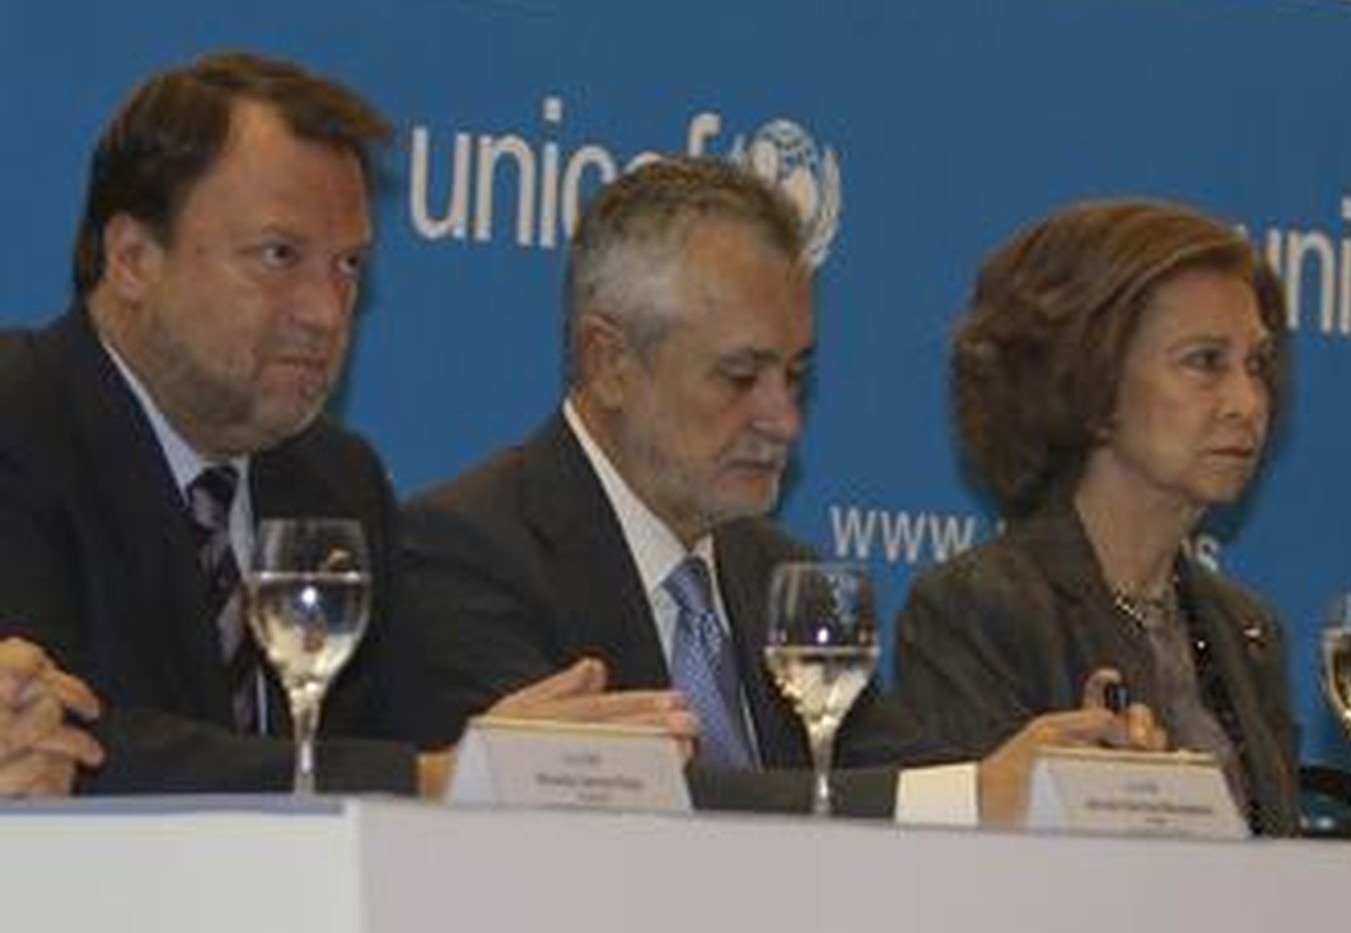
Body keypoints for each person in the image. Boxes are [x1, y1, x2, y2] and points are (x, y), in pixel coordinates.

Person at [0, 51, 686, 796]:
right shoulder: (21, 420)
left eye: (349, 265)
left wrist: (510, 753)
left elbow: (399, 734)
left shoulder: (335, 479)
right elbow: (71, 743)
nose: (326, 311)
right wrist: (423, 778)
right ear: (132, 257)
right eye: (279, 255)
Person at [396, 156, 1095, 823]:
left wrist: (1056, 775)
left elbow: (892, 770)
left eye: (794, 376)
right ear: (608, 361)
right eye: (739, 377)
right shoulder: (465, 550)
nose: (784, 420)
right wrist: (971, 796)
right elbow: (603, 796)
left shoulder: (779, 576)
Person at [894, 198, 1301, 835]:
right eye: (1205, 362)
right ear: (1091, 378)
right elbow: (962, 873)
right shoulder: (975, 610)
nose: (1248, 402)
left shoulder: (1248, 631)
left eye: (1256, 365)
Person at [0, 638, 102, 797]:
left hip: (40, 794)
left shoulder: (48, 686)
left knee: (57, 761)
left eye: (17, 675)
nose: (13, 684)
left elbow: (92, 709)